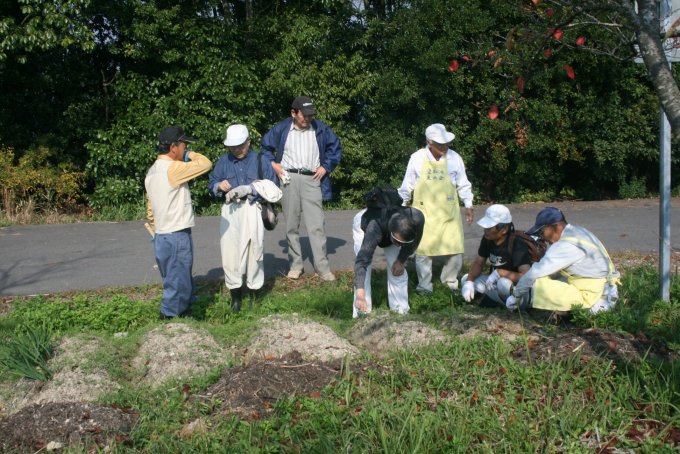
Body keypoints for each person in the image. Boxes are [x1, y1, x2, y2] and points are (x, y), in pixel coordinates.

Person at [260, 96, 342, 281]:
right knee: (291, 226)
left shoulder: (320, 128)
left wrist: (326, 167)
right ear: (293, 113)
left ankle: (323, 268)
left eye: (310, 115)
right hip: (288, 179)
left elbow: (335, 148)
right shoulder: (282, 128)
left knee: (317, 225)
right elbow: (265, 147)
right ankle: (295, 265)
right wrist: (273, 165)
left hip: (312, 179)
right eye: (304, 115)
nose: (307, 118)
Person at [208, 124, 281, 313]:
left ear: (248, 142)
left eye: (240, 145)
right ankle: (236, 296)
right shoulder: (223, 162)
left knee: (254, 250)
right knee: (230, 253)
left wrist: (252, 189)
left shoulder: (261, 160)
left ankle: (255, 294)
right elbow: (211, 185)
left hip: (252, 207)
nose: (237, 150)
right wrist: (218, 186)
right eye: (233, 147)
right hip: (230, 210)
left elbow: (274, 186)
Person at [145, 126, 212, 319]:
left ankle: (186, 311)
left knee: (175, 276)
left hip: (161, 234)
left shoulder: (152, 171)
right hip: (176, 233)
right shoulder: (173, 168)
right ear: (173, 147)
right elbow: (205, 164)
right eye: (184, 145)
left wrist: (157, 228)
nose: (185, 149)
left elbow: (151, 209)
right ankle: (169, 317)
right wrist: (191, 155)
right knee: (177, 279)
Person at [398, 123, 474, 295]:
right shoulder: (417, 158)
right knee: (424, 252)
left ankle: (450, 283)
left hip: (449, 214)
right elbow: (406, 186)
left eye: (446, 143)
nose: (444, 147)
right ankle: (424, 287)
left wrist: (468, 203)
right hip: (423, 215)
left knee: (454, 250)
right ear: (429, 142)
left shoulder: (454, 158)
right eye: (440, 144)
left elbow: (463, 183)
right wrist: (401, 209)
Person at [506, 207, 620, 314]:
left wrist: (515, 297)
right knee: (549, 276)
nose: (542, 238)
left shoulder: (565, 245)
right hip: (605, 291)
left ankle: (525, 305)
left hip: (594, 301)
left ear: (555, 227)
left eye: (541, 232)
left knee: (537, 283)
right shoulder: (580, 232)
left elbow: (534, 274)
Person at [353, 204, 425, 317]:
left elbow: (413, 244)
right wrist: (360, 294)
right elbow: (362, 261)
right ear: (392, 232)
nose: (400, 245)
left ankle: (400, 312)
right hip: (367, 222)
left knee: (397, 269)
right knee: (365, 269)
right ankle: (362, 312)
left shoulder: (417, 218)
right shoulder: (374, 229)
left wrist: (401, 260)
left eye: (403, 243)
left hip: (392, 228)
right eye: (398, 242)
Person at [461, 204, 532, 307]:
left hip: (517, 292)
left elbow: (526, 277)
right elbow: (479, 263)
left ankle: (512, 305)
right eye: (485, 227)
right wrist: (469, 282)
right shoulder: (487, 239)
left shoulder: (517, 243)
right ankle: (497, 301)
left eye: (489, 228)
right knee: (466, 279)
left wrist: (500, 273)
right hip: (493, 284)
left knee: (503, 283)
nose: (485, 230)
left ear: (504, 229)